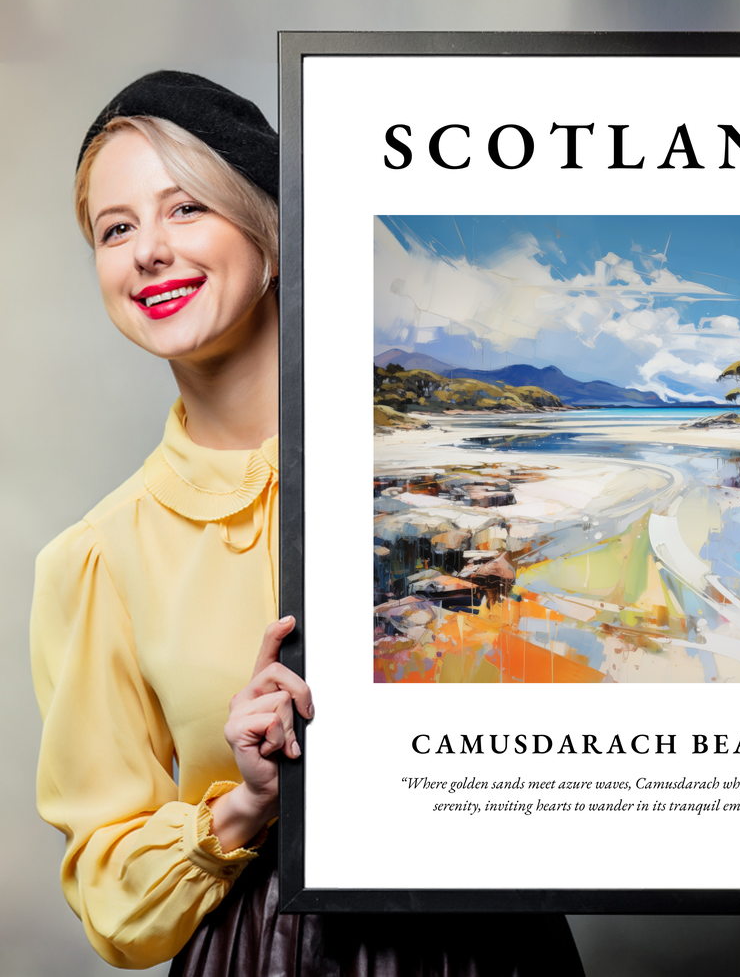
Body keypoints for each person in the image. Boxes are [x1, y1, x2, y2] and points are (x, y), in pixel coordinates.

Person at [30, 71, 585, 975]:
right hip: (264, 952)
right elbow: (110, 895)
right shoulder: (97, 557)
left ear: (273, 236)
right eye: (116, 228)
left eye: (186, 210)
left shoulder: (451, 482)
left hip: (494, 944)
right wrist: (245, 803)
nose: (148, 252)